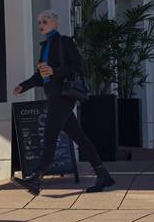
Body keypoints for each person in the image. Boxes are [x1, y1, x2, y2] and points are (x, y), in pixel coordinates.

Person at [12, 10, 115, 195]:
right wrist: (24, 86)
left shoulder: (64, 42)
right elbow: (41, 75)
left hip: (63, 96)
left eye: (45, 21)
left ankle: (36, 178)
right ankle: (102, 174)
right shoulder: (45, 46)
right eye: (39, 22)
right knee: (79, 137)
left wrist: (55, 71)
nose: (41, 25)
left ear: (54, 24)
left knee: (49, 136)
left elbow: (77, 65)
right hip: (54, 96)